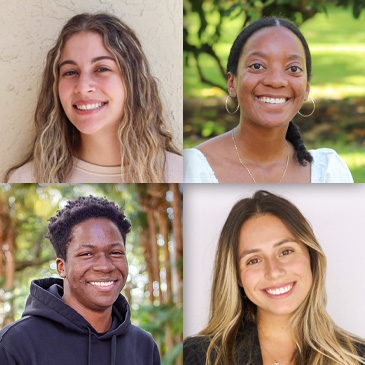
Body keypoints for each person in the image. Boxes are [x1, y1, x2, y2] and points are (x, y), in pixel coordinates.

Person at [184, 190, 365, 364]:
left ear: (311, 257)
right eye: (254, 260)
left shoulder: (358, 357)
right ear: (236, 276)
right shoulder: (199, 356)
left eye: (285, 251)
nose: (274, 271)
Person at [5, 13, 182, 183]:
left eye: (102, 68)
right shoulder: (29, 178)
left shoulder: (179, 173)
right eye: (70, 72)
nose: (83, 87)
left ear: (131, 82)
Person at [183, 17, 353, 183]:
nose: (276, 81)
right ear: (232, 82)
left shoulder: (328, 174)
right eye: (257, 66)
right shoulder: (193, 170)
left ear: (307, 88)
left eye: (293, 68)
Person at [0, 196, 160, 365]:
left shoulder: (144, 347)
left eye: (115, 252)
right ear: (62, 267)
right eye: (87, 254)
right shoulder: (14, 345)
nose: (105, 267)